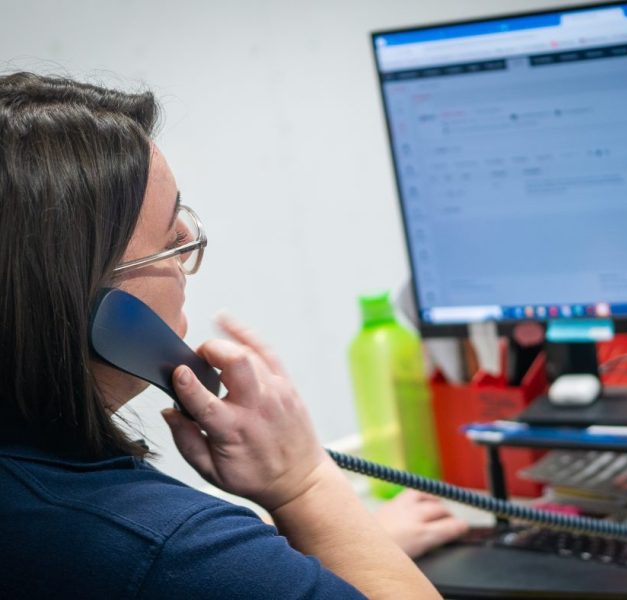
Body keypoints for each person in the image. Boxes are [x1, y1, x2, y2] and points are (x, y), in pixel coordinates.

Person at [0, 72, 463, 599]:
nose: (185, 250)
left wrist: (324, 553)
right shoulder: (168, 552)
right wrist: (305, 484)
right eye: (171, 239)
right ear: (101, 309)